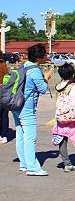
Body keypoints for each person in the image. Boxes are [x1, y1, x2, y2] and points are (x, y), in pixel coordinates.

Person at [12, 44, 53, 176]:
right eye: (44, 55)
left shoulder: (23, 66)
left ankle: (24, 163)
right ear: (38, 58)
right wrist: (46, 78)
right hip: (27, 107)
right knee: (30, 137)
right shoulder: (35, 70)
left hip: (16, 105)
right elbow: (43, 89)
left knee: (20, 134)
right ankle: (33, 167)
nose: (45, 57)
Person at [0, 59, 10, 144]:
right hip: (4, 91)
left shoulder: (2, 64)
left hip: (2, 91)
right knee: (4, 115)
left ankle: (2, 134)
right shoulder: (3, 64)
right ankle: (4, 135)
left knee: (3, 114)